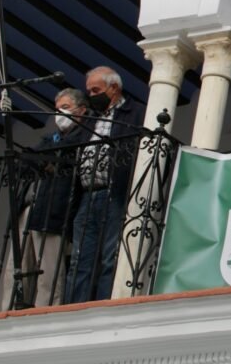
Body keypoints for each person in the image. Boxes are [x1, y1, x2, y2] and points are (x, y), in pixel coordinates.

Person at [2, 89, 85, 309]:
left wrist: (48, 165)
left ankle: (45, 313)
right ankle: (10, 311)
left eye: (65, 108)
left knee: (48, 271)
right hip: (29, 208)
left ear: (82, 111)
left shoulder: (83, 138)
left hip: (54, 211)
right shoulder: (50, 139)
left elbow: (69, 170)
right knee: (17, 268)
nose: (60, 113)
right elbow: (27, 161)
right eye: (57, 109)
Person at [67, 66, 144, 304]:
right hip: (87, 195)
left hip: (116, 192)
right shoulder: (90, 118)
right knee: (80, 259)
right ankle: (74, 308)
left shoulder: (135, 113)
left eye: (96, 90)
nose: (91, 95)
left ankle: (103, 305)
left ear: (114, 88)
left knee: (110, 257)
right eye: (89, 91)